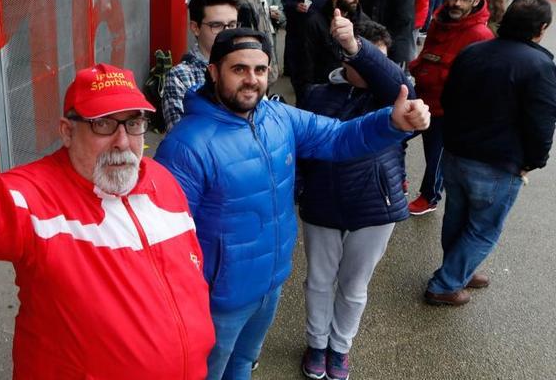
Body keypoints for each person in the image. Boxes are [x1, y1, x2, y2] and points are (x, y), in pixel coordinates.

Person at [0, 37, 215, 378]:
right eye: (103, 124)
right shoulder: (38, 195)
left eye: (133, 123)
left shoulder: (161, 180)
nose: (122, 140)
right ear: (67, 131)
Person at [154, 27, 430, 379]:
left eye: (260, 69)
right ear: (213, 72)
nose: (251, 80)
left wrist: (390, 122)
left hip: (271, 282)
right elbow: (167, 238)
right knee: (208, 372)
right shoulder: (185, 145)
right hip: (219, 297)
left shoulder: (278, 117)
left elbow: (338, 137)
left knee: (243, 362)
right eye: (239, 69)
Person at [298, 18, 414, 380]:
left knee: (354, 285)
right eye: (355, 59)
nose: (364, 67)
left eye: (372, 61)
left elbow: (400, 83)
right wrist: (300, 188)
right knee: (318, 279)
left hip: (375, 205)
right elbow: (301, 146)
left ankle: (340, 347)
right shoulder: (317, 94)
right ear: (342, 61)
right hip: (323, 201)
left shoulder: (395, 96)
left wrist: (357, 48)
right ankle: (317, 343)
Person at [425, 0, 556, 305]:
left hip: (458, 152)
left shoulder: (474, 51)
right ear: (542, 28)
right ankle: (445, 284)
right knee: (484, 228)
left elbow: (450, 97)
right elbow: (542, 120)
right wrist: (534, 161)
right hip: (499, 162)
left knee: (457, 218)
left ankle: (459, 270)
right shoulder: (540, 65)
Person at [408, 0, 494, 215]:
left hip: (448, 110)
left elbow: (481, 82)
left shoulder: (481, 35)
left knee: (435, 158)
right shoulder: (439, 20)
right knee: (395, 137)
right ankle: (399, 180)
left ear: (475, 1)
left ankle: (430, 197)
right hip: (423, 97)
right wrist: (417, 66)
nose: (457, 3)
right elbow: (427, 53)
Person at [162, 0, 240, 130]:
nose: (227, 33)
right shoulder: (180, 77)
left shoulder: (247, 67)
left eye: (232, 24)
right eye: (216, 25)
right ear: (195, 28)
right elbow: (181, 136)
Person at [293, 0, 370, 104]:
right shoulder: (315, 23)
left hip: (354, 97)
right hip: (322, 93)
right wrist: (306, 97)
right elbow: (305, 65)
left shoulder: (365, 23)